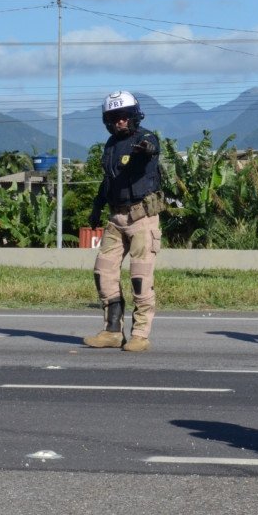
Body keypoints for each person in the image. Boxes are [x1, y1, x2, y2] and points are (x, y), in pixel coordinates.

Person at [84, 90, 164, 353]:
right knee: (103, 272)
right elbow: (108, 180)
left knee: (140, 278)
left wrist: (147, 150)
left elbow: (153, 149)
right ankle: (112, 331)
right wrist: (96, 207)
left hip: (142, 217)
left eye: (124, 116)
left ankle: (140, 335)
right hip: (115, 218)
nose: (120, 121)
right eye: (114, 117)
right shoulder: (110, 144)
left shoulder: (146, 138)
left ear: (134, 117)